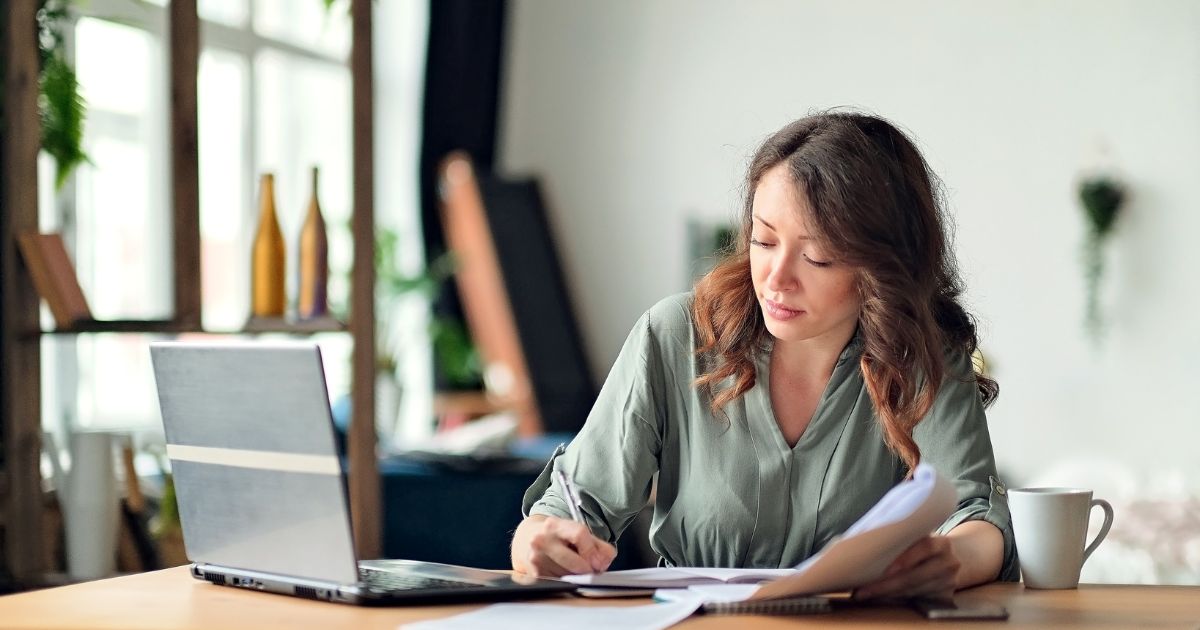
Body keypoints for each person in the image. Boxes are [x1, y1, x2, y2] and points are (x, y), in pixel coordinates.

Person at [510, 111, 1019, 600]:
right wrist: (537, 540)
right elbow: (573, 505)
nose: (776, 278)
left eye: (816, 256)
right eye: (764, 239)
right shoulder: (674, 337)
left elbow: (976, 515)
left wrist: (950, 559)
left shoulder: (922, 357)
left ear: (883, 266)